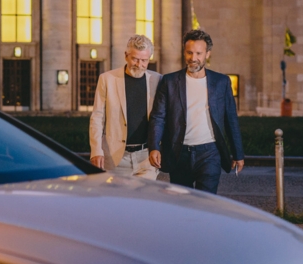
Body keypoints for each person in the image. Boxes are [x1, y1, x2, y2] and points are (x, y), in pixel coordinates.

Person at [148, 29, 244, 193]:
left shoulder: (221, 82)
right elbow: (158, 117)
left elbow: (231, 119)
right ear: (184, 52)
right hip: (179, 153)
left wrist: (238, 153)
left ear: (207, 54)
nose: (193, 58)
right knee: (182, 205)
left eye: (199, 53)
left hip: (210, 153)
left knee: (206, 203)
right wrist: (154, 147)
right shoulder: (170, 81)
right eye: (189, 52)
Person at [90, 34, 161, 179]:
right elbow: (97, 117)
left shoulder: (157, 80)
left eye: (144, 60)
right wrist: (96, 150)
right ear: (126, 55)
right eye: (135, 59)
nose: (139, 64)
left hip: (146, 159)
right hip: (115, 159)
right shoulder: (107, 79)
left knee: (144, 201)